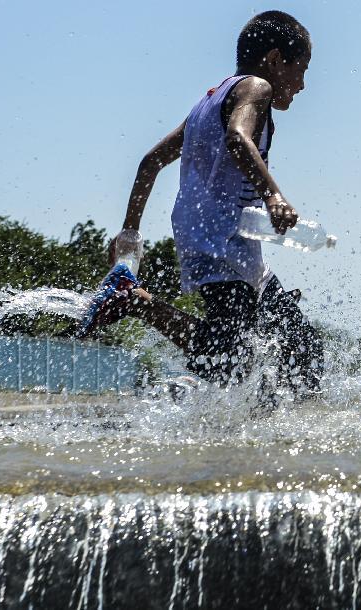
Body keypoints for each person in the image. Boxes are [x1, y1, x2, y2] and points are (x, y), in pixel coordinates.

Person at [80, 11, 323, 398]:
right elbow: (238, 138)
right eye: (301, 69)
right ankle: (137, 302)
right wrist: (273, 196)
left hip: (223, 243)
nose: (303, 84)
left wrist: (129, 235)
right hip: (220, 244)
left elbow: (149, 163)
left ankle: (271, 418)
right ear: (276, 60)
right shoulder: (256, 88)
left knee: (302, 347)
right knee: (228, 359)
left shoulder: (209, 101)